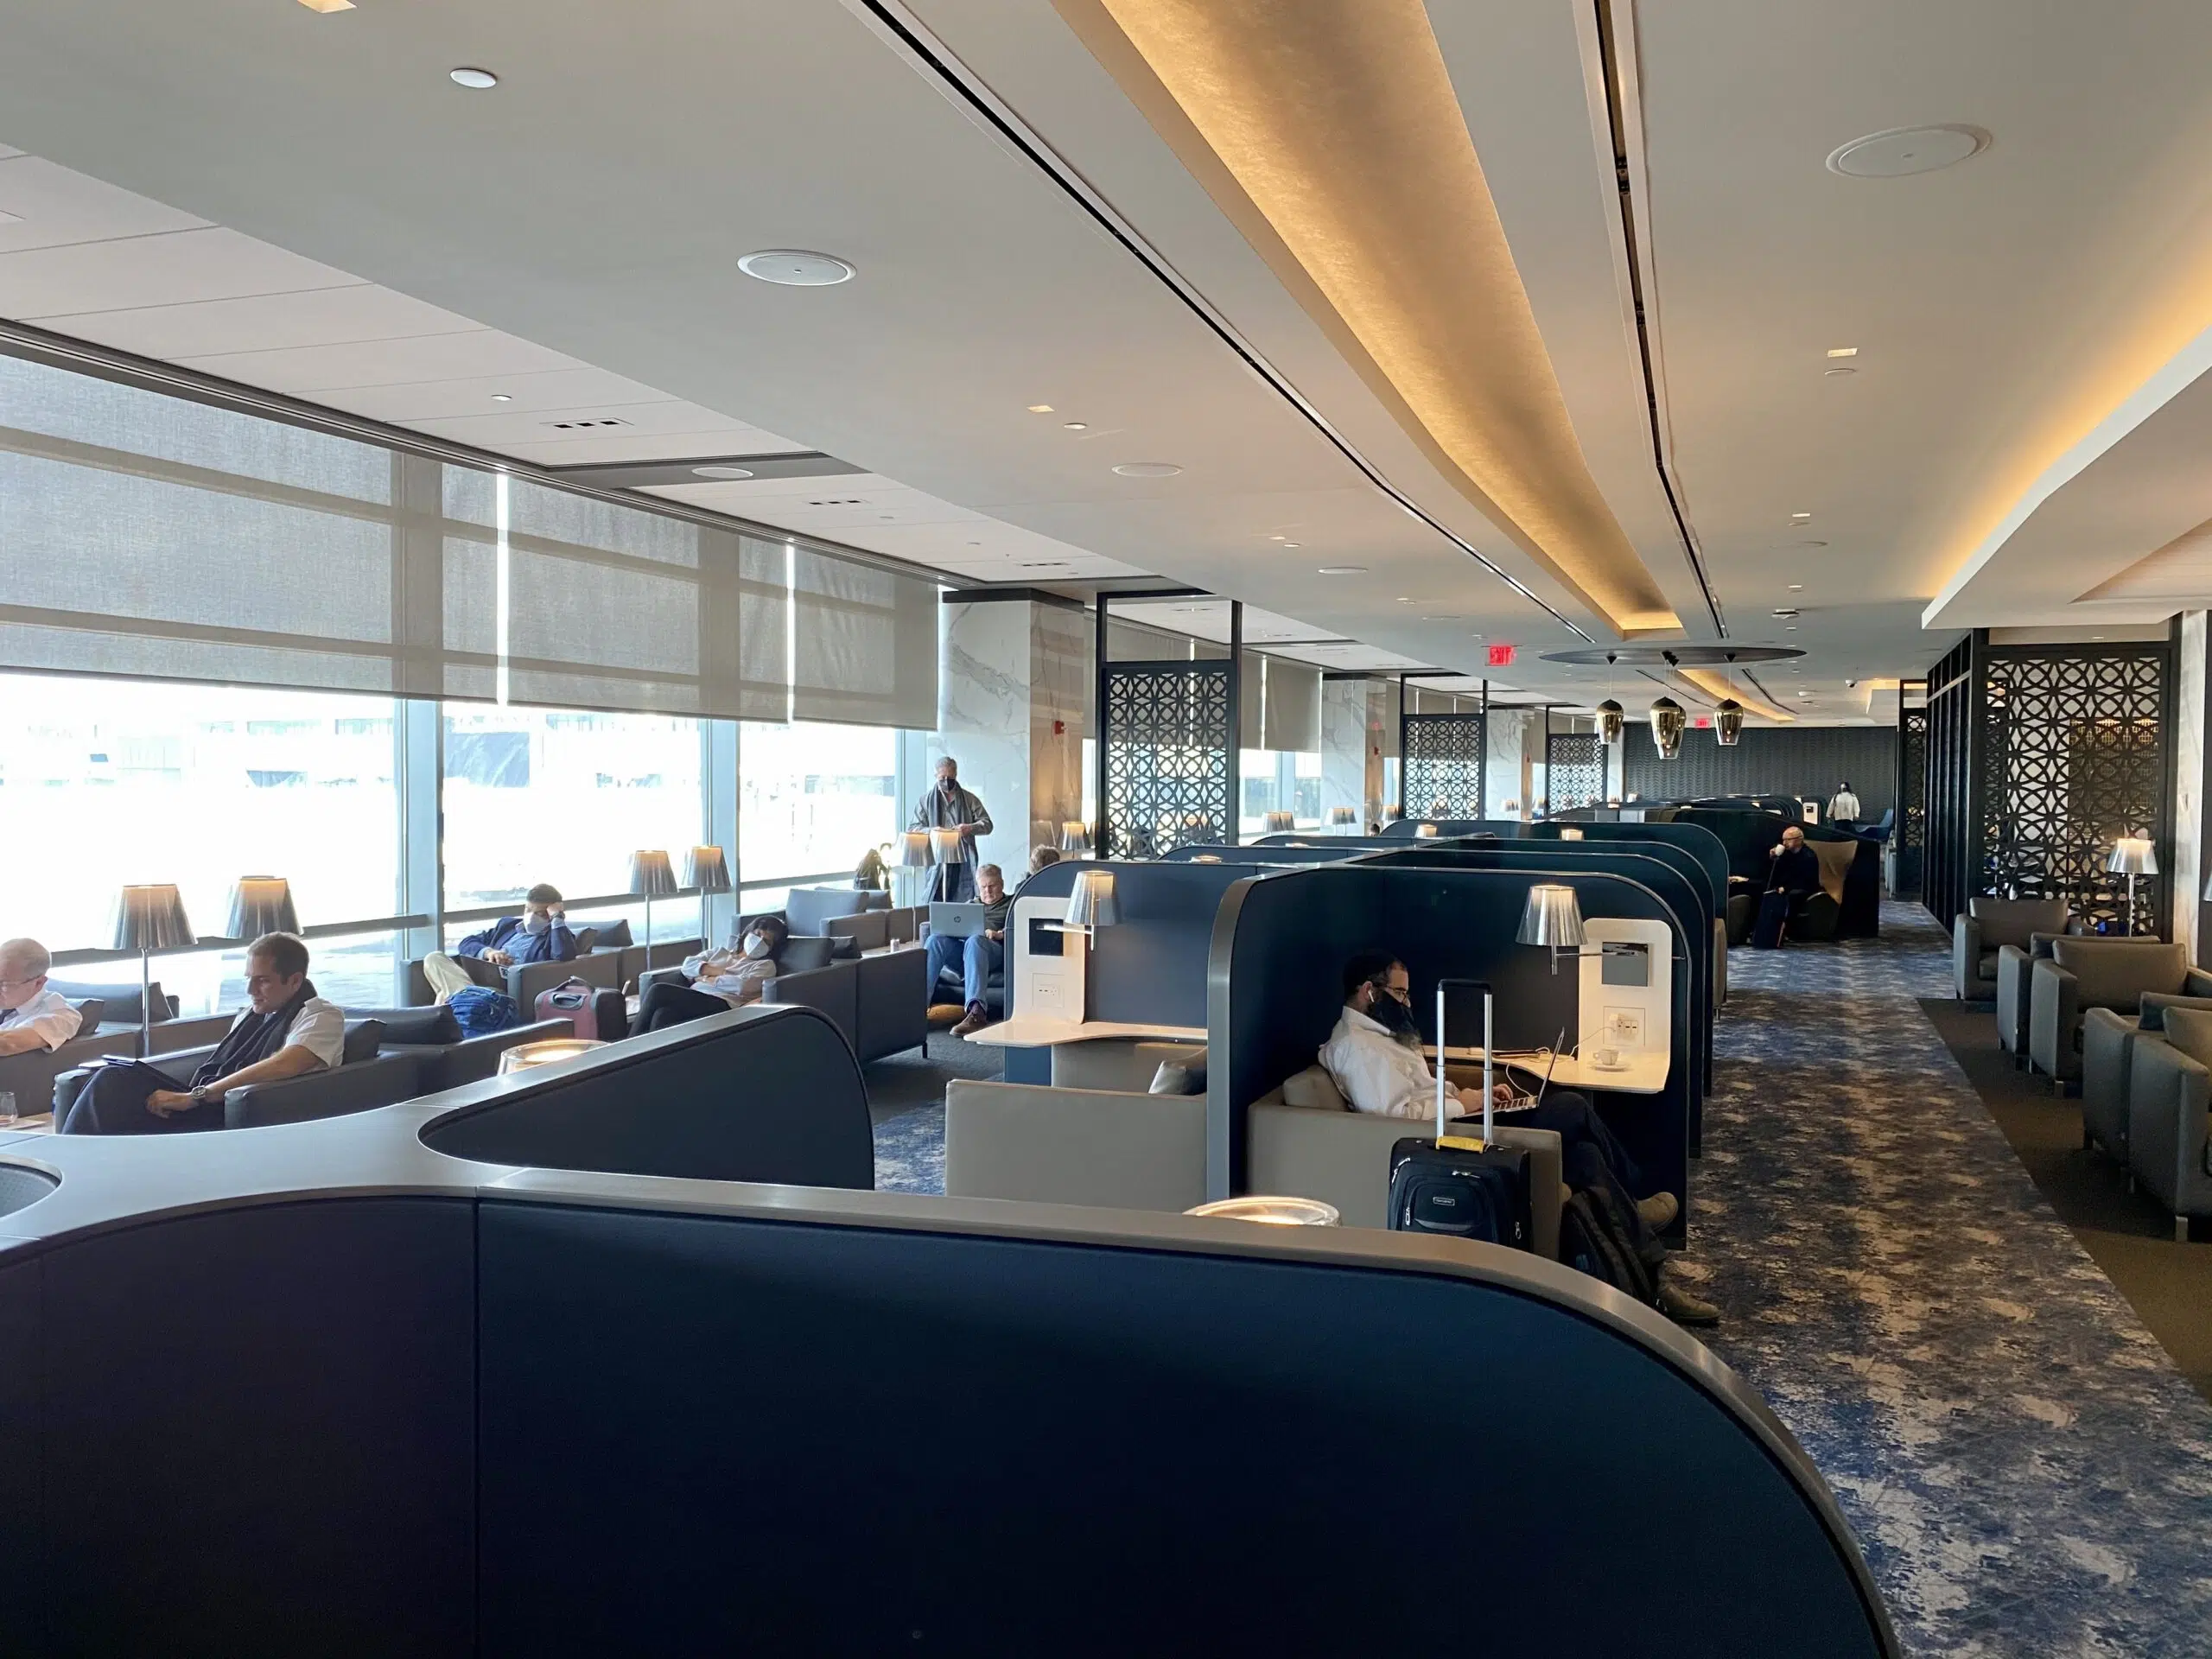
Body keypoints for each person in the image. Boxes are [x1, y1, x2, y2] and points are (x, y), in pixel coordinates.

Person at [1319, 951, 1718, 1327]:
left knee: (1584, 1156)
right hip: (1443, 1145)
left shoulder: (1384, 1035)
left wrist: (1466, 1094)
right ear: (1369, 991)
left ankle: (1657, 1281)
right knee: (1572, 1108)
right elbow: (1397, 1119)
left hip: (1459, 1119)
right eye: (1399, 992)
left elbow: (1422, 1091)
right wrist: (1467, 1104)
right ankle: (1631, 1202)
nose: (1407, 1003)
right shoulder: (1357, 1047)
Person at [60, 933, 343, 1135]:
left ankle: (71, 1162)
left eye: (263, 981)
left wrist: (197, 1096)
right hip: (207, 1101)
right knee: (114, 1079)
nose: (250, 991)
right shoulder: (250, 1015)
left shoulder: (320, 1016)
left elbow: (286, 1063)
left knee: (111, 1085)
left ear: (295, 981)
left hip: (228, 1110)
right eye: (249, 979)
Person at [634, 916, 791, 1032]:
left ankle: (623, 1050)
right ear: (748, 933)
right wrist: (721, 973)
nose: (759, 941)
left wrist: (703, 976)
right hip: (694, 997)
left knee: (658, 990)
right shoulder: (720, 952)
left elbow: (742, 986)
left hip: (722, 1005)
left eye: (767, 941)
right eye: (757, 934)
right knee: (663, 1015)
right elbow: (688, 965)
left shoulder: (765, 965)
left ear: (772, 948)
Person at [926, 862, 1010, 1038]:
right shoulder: (970, 905)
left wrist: (1000, 934)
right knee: (935, 940)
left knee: (975, 940)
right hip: (967, 952)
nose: (987, 891)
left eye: (992, 886)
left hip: (994, 952)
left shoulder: (1012, 904)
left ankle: (976, 1012)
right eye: (983, 887)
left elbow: (1021, 929)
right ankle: (918, 1005)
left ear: (1001, 884)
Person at [912, 756, 993, 903]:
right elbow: (913, 828)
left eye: (950, 777)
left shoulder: (969, 799)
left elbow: (987, 824)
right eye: (942, 777)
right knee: (935, 898)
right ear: (936, 776)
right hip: (937, 858)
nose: (946, 781)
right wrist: (932, 831)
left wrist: (970, 828)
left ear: (956, 775)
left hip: (963, 858)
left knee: (964, 900)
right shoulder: (925, 801)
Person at [454, 883, 577, 969]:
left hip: (508, 987)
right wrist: (489, 952)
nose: (531, 917)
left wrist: (557, 918)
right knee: (435, 958)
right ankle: (462, 996)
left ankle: (459, 996)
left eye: (540, 914)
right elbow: (466, 943)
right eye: (528, 910)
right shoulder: (507, 925)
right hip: (484, 976)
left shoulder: (558, 937)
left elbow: (563, 957)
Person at [0, 938, 81, 1057]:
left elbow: (8, 1044)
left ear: (38, 983)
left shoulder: (62, 1016)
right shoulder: (6, 1002)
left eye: (4, 984)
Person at [1759, 824, 1823, 944]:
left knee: (1793, 896)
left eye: (1788, 840)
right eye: (1783, 840)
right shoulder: (1786, 854)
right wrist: (1773, 858)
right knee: (1762, 888)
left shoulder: (1808, 856)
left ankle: (1787, 930)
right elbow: (1777, 874)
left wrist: (1786, 888)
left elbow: (1806, 880)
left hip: (1805, 887)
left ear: (1798, 840)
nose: (1784, 843)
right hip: (1787, 885)